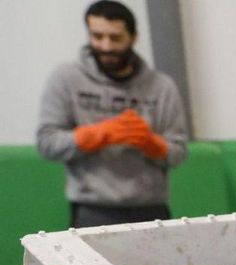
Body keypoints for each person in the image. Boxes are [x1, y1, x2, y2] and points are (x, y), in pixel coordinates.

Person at [37, 1, 189, 228]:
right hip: (92, 210)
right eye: (97, 36)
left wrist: (151, 144)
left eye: (115, 38)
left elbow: (179, 151)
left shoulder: (161, 86)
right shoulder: (66, 79)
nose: (106, 46)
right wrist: (97, 135)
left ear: (133, 37)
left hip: (151, 208)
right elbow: (47, 143)